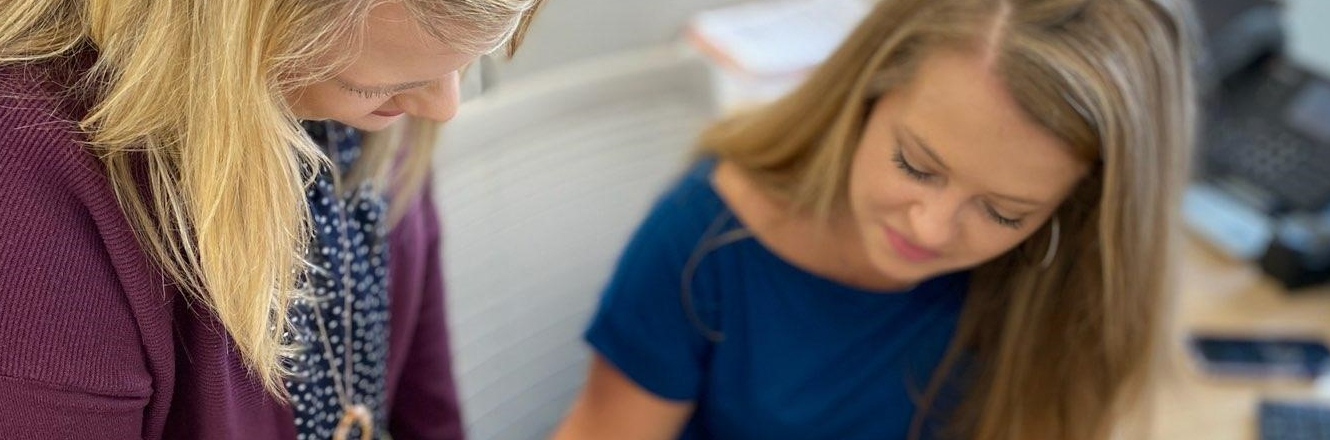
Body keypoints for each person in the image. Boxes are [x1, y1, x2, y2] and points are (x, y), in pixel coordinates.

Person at [553, 0, 1197, 439]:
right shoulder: (706, 241)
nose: (930, 229)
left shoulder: (1063, 291)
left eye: (1005, 212)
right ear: (863, 95)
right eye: (916, 165)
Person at [0, 0, 541, 438]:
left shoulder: (368, 126)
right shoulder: (31, 174)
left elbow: (427, 414)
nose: (444, 106)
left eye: (468, 63)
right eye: (372, 85)